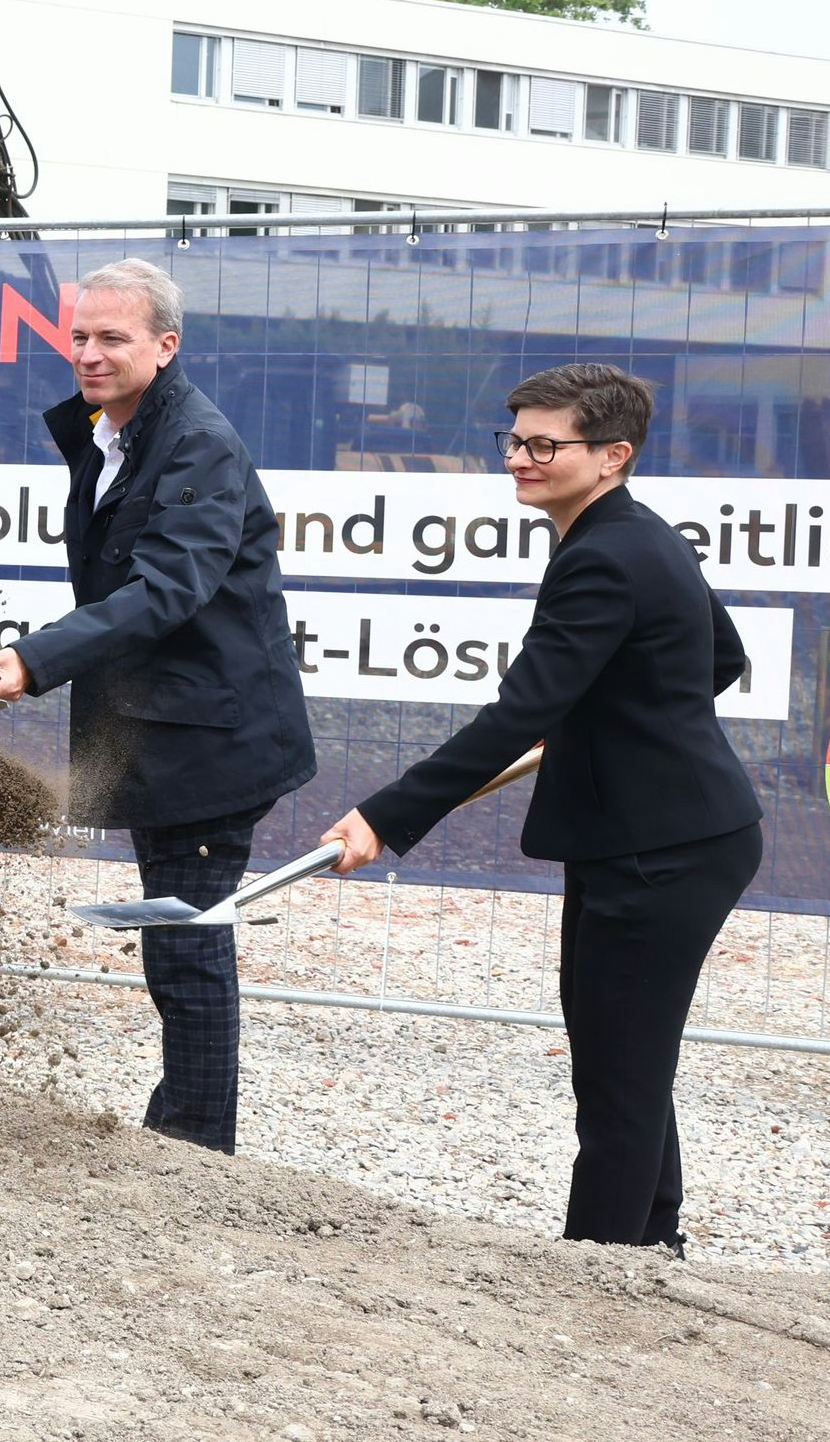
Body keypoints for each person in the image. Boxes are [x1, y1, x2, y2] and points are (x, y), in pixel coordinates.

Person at [323, 365, 762, 1251]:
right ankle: (649, 1244)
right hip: (648, 834)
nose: (519, 457)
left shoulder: (606, 552)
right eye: (514, 438)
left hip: (667, 847)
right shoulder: (631, 533)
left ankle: (596, 1268)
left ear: (612, 455)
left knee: (617, 1077)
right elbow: (717, 656)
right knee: (621, 1056)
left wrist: (384, 815)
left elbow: (518, 713)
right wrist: (612, 716)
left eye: (542, 443)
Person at [0, 257, 313, 1151]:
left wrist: (34, 660)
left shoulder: (196, 441)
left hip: (213, 740)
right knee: (176, 943)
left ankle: (196, 1151)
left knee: (188, 948)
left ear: (166, 344)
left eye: (111, 338)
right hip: (169, 726)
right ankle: (183, 1131)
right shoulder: (108, 429)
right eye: (79, 335)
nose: (88, 352)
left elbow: (166, 591)